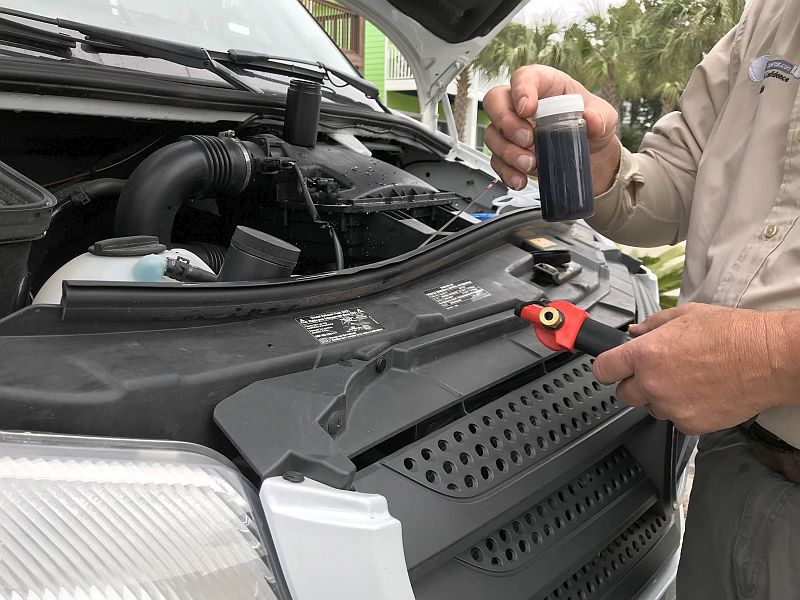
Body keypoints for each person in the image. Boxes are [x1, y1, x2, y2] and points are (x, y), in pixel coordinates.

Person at [483, 0, 800, 597]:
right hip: (734, 467)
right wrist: (600, 160)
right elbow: (677, 183)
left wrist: (772, 356)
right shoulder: (770, 20)